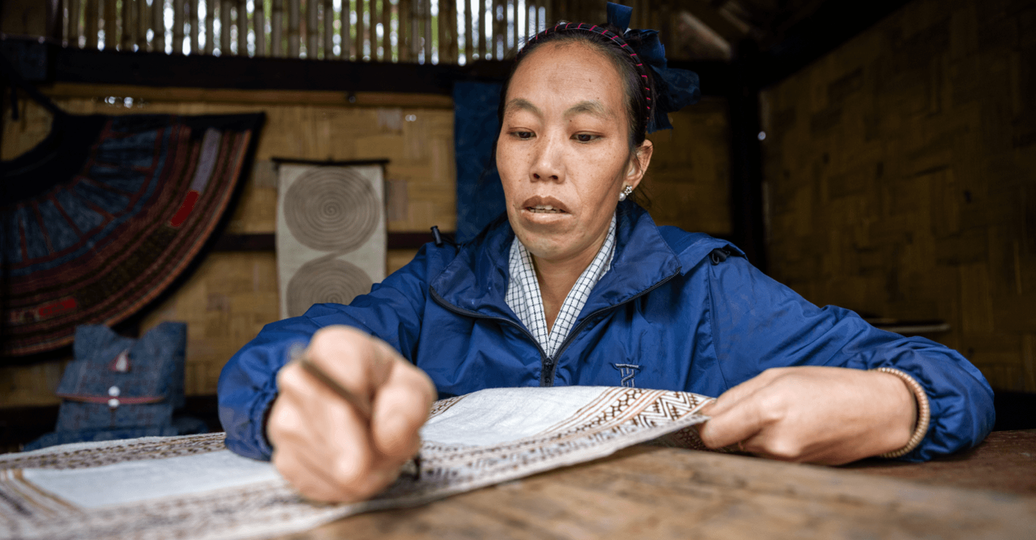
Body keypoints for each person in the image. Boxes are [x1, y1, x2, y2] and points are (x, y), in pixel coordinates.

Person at [217, 4, 995, 504]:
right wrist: (298, 398)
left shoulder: (706, 291)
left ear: (634, 166)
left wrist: (897, 406)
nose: (544, 164)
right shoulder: (435, 289)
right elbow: (265, 363)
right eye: (522, 131)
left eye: (586, 136)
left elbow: (952, 379)